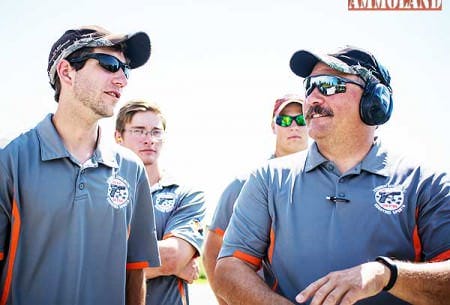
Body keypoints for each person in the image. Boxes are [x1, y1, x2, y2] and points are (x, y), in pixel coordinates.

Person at [214, 46, 450, 305]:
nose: (313, 98)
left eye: (328, 85)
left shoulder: (427, 183)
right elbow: (229, 268)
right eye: (309, 86)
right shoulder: (267, 179)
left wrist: (385, 275)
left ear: (375, 101)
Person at [0, 25, 160, 305]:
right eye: (110, 65)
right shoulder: (9, 160)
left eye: (126, 70)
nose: (122, 79)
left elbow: (135, 271)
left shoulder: (132, 170)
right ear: (66, 72)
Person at [203, 94, 308, 305]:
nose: (294, 126)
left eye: (301, 119)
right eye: (285, 120)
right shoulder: (243, 184)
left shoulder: (332, 182)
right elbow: (212, 252)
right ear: (273, 126)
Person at [115, 99, 206, 305]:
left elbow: (173, 256)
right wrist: (168, 263)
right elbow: (84, 258)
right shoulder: (101, 191)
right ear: (118, 137)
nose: (149, 139)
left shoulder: (187, 194)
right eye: (139, 131)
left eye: (156, 131)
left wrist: (110, 260)